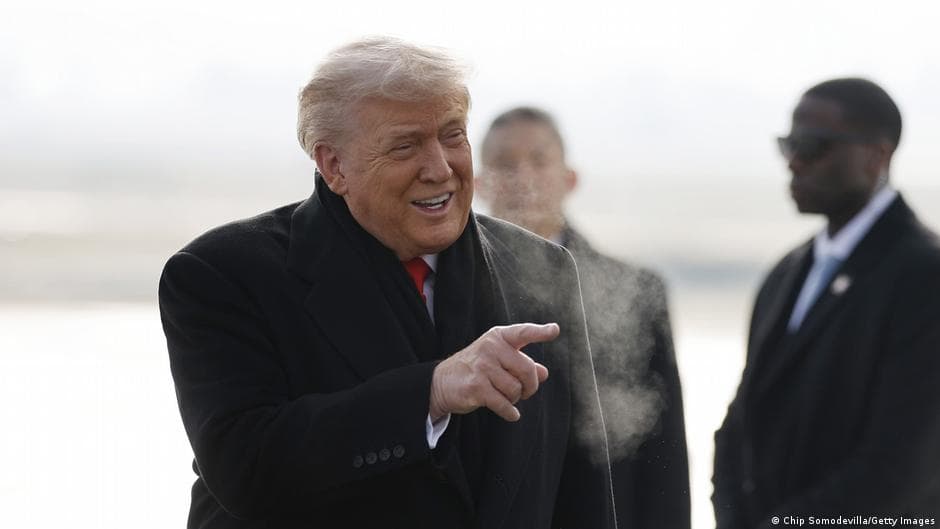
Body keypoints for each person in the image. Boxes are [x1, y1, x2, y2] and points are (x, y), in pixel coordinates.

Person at [158, 38, 616, 528]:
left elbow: (581, 486)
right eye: (405, 146)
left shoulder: (543, 267)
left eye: (453, 136)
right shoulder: (222, 273)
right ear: (333, 165)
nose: (439, 168)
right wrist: (430, 393)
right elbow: (245, 467)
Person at [713, 78, 940, 528]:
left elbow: (900, 467)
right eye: (788, 145)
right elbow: (741, 425)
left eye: (813, 146)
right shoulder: (786, 273)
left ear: (877, 156)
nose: (794, 161)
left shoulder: (924, 276)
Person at [477, 106, 691, 529]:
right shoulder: (452, 289)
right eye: (504, 164)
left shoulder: (635, 291)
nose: (523, 178)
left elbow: (664, 448)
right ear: (480, 183)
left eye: (539, 161)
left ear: (569, 178)